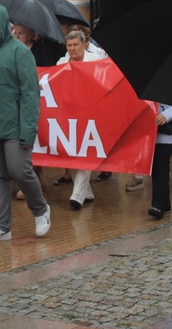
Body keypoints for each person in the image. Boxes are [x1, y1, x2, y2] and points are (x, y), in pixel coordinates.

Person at [0, 4, 51, 242]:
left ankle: (41, 209)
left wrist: (28, 131)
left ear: (2, 22)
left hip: (15, 126)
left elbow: (30, 94)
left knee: (20, 171)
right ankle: (1, 227)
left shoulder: (20, 52)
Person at [55, 29, 102, 210]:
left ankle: (77, 196)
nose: (72, 48)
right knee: (73, 152)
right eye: (69, 45)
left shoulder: (96, 60)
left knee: (85, 151)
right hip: (68, 114)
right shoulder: (61, 62)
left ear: (84, 44)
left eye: (75, 44)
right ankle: (86, 192)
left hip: (91, 113)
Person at [147, 104, 172, 220]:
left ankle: (158, 205)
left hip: (169, 125)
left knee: (160, 161)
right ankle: (165, 202)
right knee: (157, 163)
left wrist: (166, 115)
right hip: (152, 123)